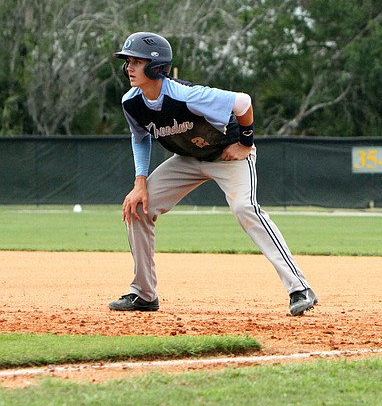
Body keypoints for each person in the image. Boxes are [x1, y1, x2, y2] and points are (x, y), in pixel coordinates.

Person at [109, 32, 318, 316]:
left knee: (245, 208)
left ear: (156, 67)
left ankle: (300, 288)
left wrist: (246, 144)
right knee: (138, 208)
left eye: (137, 62)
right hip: (186, 159)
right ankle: (144, 294)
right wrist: (140, 183)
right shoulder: (131, 102)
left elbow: (243, 103)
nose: (129, 68)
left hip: (227, 155)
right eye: (128, 62)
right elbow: (140, 138)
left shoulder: (186, 95)